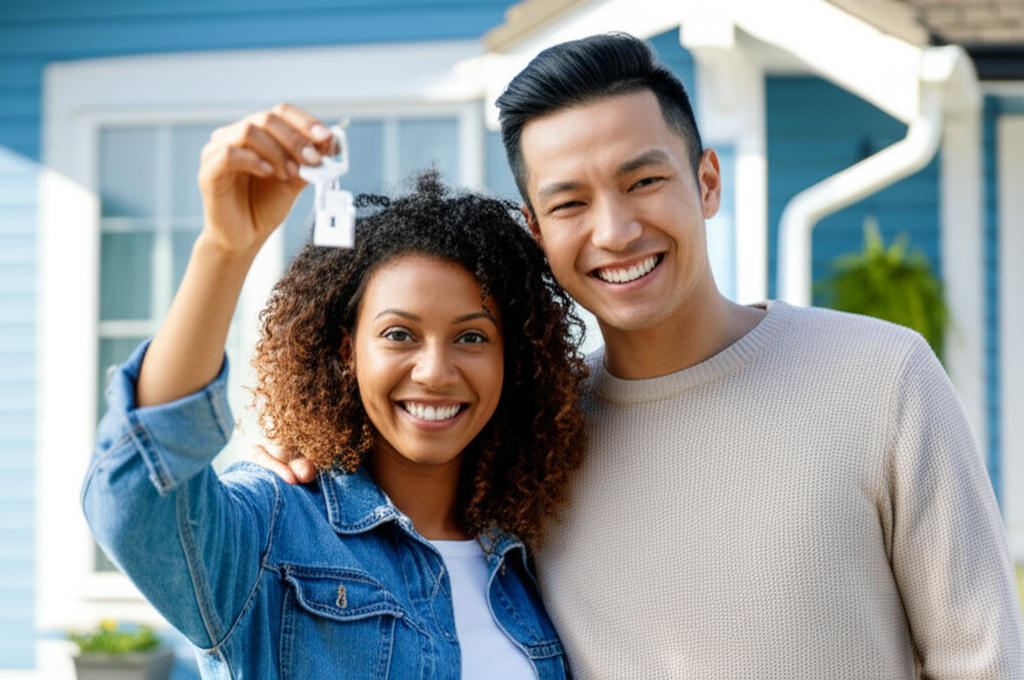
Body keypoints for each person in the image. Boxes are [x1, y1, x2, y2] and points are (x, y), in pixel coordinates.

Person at [259, 34, 1024, 678]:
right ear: (536, 230)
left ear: (707, 180)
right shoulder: (531, 436)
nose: (617, 231)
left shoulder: (882, 378)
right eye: (571, 204)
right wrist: (303, 452)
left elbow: (983, 658)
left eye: (644, 180)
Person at [81, 105, 589, 679]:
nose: (435, 370)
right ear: (346, 351)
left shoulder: (526, 557)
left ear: (510, 360)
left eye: (472, 336)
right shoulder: (275, 529)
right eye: (399, 334)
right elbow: (137, 504)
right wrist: (225, 248)